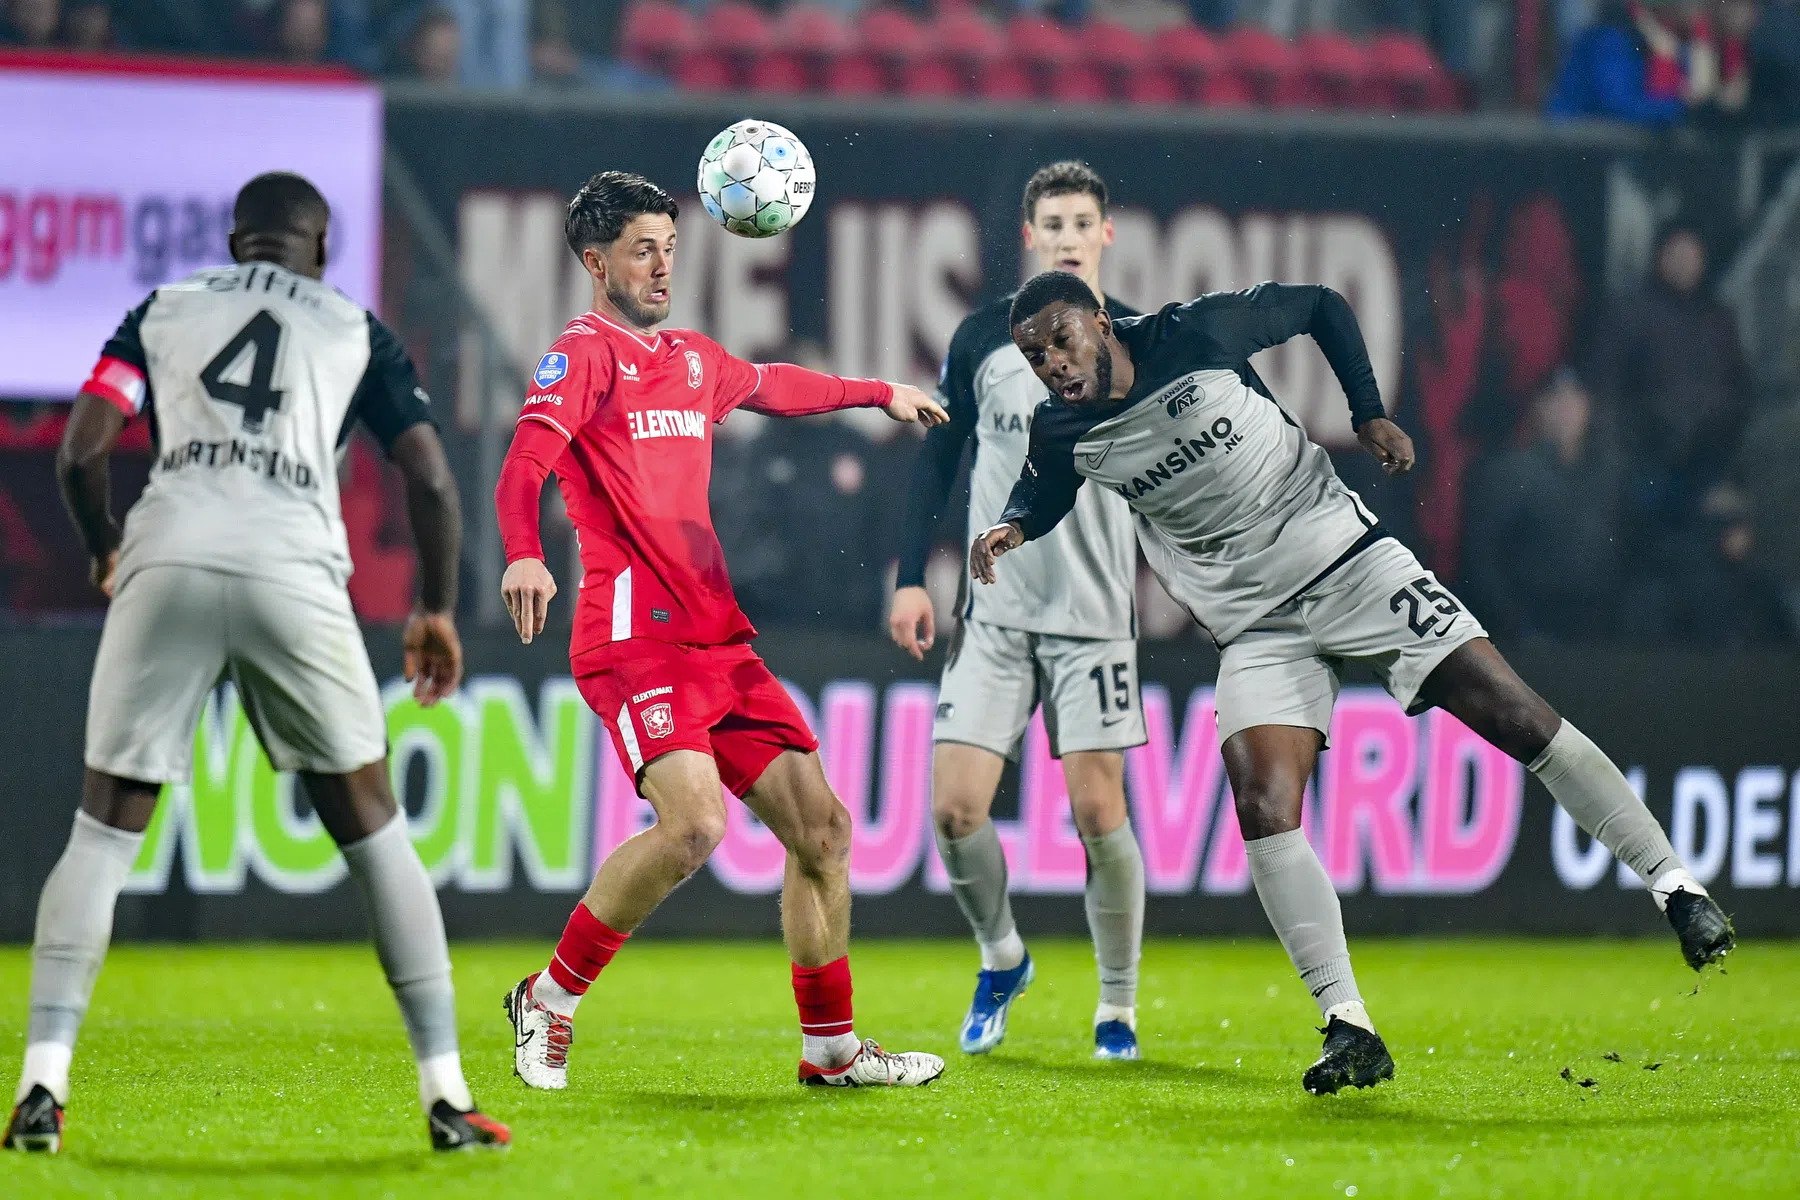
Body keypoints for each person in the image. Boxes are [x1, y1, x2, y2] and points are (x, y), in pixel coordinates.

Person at [971, 271, 1736, 1096]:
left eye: (1060, 340)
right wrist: (1013, 525)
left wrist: (1366, 411)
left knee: (1515, 715)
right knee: (1262, 804)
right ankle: (1349, 1024)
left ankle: (1676, 887)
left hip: (1349, 563)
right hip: (1256, 627)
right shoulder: (1062, 428)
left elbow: (1321, 306)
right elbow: (1046, 487)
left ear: (1099, 320)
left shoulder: (1195, 333)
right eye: (1033, 355)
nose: (1051, 363)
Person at [3, 173, 507, 1154]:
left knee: (102, 832)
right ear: (320, 250)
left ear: (238, 244)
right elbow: (432, 480)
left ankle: (41, 1087)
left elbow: (79, 452)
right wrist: (437, 609)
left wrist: (106, 548)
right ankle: (447, 1097)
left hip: (169, 557)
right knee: (374, 831)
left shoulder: (161, 310)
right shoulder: (355, 329)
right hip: (293, 569)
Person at [494, 171, 948, 1091]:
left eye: (670, 247)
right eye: (643, 250)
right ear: (597, 263)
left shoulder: (693, 360)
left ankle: (832, 1051)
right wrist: (524, 554)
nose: (664, 266)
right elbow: (523, 465)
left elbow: (776, 386)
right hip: (633, 638)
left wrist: (878, 392)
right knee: (696, 824)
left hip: (717, 640)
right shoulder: (581, 357)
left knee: (822, 831)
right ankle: (548, 998)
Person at [890, 161, 1148, 1062]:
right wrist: (909, 575)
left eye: (1083, 223)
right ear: (1031, 237)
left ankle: (1117, 1006)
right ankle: (1002, 957)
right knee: (955, 812)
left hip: (1093, 617)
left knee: (1098, 814)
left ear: (1105, 234)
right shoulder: (980, 340)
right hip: (994, 617)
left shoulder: (1141, 343)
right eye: (1054, 224)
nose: (1069, 238)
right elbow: (939, 456)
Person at [1461, 368, 1627, 641]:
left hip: (1599, 628)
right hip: (1529, 629)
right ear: (1538, 407)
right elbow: (1482, 557)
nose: (1566, 409)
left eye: (1574, 398)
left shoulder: (1609, 474)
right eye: (1556, 399)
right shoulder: (1511, 472)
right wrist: (1514, 622)